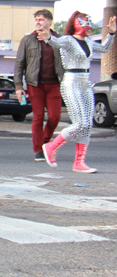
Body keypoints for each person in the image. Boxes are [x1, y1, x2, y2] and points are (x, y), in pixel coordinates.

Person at [41, 12, 116, 173]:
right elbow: (56, 43)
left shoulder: (88, 42)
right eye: (84, 22)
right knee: (80, 123)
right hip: (71, 81)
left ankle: (79, 162)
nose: (88, 25)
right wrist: (48, 37)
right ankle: (51, 146)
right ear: (76, 23)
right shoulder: (68, 40)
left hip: (85, 82)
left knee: (88, 124)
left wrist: (111, 33)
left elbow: (105, 48)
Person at [14, 10, 64, 161]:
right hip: (34, 84)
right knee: (38, 117)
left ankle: (45, 141)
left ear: (49, 22)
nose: (38, 22)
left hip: (54, 84)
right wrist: (18, 86)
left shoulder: (59, 40)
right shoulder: (28, 40)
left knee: (55, 116)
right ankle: (38, 150)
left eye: (41, 19)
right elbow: (19, 64)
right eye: (36, 19)